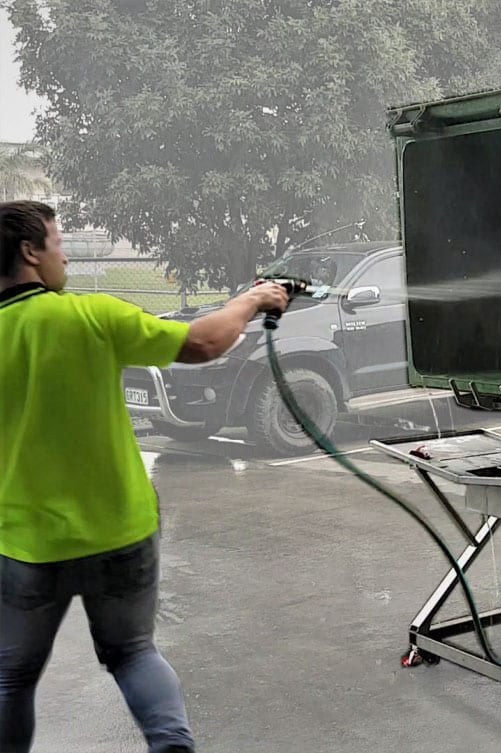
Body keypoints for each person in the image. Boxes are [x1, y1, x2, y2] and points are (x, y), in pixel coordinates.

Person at [0, 201, 289, 753]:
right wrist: (253, 299)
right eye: (57, 243)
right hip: (120, 531)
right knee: (133, 653)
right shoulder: (89, 316)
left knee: (11, 677)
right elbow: (204, 342)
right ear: (29, 251)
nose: (63, 255)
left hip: (25, 544)